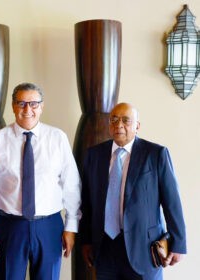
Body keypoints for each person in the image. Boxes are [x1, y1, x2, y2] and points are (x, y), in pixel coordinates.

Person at [0, 82, 82, 280]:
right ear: (13, 106)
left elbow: (72, 186)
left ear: (41, 107)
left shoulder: (58, 138)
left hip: (49, 226)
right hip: (9, 227)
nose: (27, 109)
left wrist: (71, 227)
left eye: (33, 104)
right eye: (21, 103)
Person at [80, 102, 187, 280]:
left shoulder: (156, 154)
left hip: (144, 248)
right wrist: (85, 241)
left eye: (125, 120)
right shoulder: (94, 155)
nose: (119, 125)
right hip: (104, 247)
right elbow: (87, 201)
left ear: (137, 126)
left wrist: (179, 244)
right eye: (113, 120)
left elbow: (172, 202)